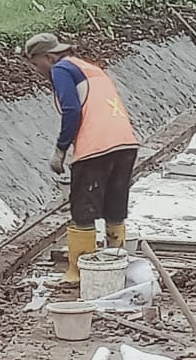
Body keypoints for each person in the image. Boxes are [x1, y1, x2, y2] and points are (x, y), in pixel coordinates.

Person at [25, 33, 140, 286]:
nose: (37, 71)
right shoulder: (89, 67)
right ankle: (117, 267)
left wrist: (60, 149)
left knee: (83, 212)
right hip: (125, 142)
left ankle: (78, 273)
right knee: (114, 210)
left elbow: (71, 109)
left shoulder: (62, 69)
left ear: (48, 57)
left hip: (96, 147)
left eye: (36, 64)